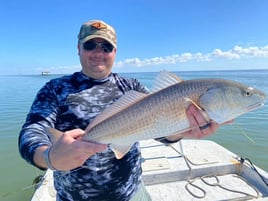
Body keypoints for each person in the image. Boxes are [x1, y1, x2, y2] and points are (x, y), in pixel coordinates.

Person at [18, 20, 223, 201]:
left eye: (106, 47)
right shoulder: (55, 89)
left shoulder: (132, 87)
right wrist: (49, 157)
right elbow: (33, 132)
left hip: (132, 193)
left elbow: (160, 131)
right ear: (78, 48)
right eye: (90, 45)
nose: (98, 53)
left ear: (115, 52)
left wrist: (182, 129)